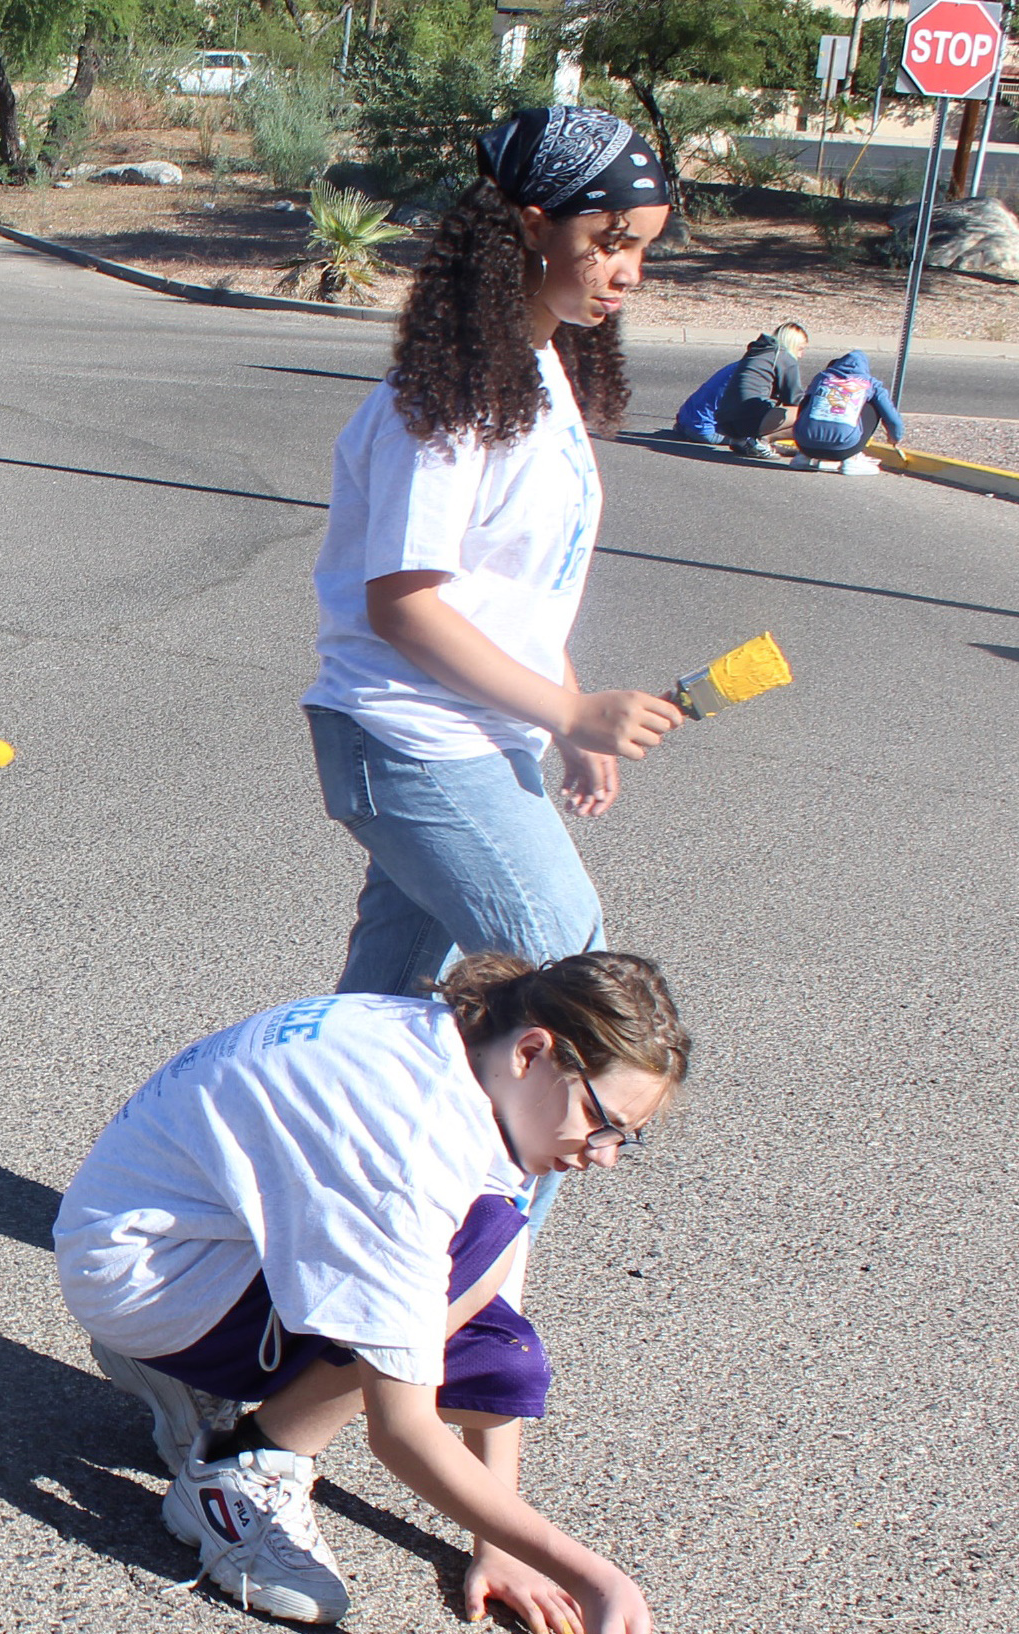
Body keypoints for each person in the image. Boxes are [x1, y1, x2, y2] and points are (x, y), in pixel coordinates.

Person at [57, 951, 690, 1634]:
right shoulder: (411, 1143)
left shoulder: (465, 1053)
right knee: (438, 1291)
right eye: (604, 1123)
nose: (605, 1158)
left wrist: (502, 1540)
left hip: (175, 1240)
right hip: (147, 1281)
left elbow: (489, 1312)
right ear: (535, 1051)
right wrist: (594, 1577)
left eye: (627, 1137)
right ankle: (234, 1468)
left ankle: (185, 1377)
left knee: (489, 1307)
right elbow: (402, 1431)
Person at [302, 105, 688, 1010]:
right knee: (572, 994)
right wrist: (567, 708)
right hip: (411, 737)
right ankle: (553, 1153)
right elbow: (405, 605)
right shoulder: (443, 400)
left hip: (469, 731)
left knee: (387, 1006)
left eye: (641, 250)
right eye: (609, 241)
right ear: (531, 224)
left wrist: (566, 715)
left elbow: (512, 589)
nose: (627, 272)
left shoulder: (540, 367)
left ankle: (304, 1143)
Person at [790, 348, 905, 475]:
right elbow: (892, 418)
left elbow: (803, 405)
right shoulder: (870, 383)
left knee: (812, 401)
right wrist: (895, 437)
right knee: (872, 404)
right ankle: (852, 460)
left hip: (805, 445)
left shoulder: (822, 378)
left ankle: (803, 457)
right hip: (844, 449)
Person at [714, 322, 808, 458]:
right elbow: (795, 399)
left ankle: (742, 440)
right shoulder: (784, 357)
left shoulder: (758, 352)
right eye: (800, 349)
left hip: (725, 420)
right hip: (748, 418)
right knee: (806, 413)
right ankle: (760, 441)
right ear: (792, 344)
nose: (801, 355)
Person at [669, 355, 740, 443]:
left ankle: (688, 428)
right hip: (702, 431)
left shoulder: (740, 365)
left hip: (684, 417)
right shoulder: (750, 376)